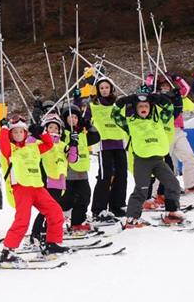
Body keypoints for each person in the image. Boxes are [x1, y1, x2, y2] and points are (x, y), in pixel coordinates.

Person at [0, 117, 66, 264]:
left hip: (37, 187)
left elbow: (49, 145)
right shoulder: (10, 149)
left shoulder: (33, 147)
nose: (17, 134)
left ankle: (51, 244)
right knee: (23, 220)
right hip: (21, 188)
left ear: (25, 133)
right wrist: (3, 129)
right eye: (14, 132)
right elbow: (3, 146)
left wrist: (42, 132)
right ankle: (7, 251)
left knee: (55, 211)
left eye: (20, 131)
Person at [113, 92, 184, 228]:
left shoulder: (158, 121)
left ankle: (172, 212)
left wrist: (159, 98)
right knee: (142, 190)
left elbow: (169, 108)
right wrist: (122, 102)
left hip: (158, 160)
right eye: (140, 106)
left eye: (146, 105)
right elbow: (115, 115)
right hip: (142, 161)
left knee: (173, 184)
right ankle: (131, 219)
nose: (143, 108)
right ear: (136, 109)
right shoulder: (130, 123)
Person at [87, 77, 128, 221]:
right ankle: (99, 209)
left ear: (111, 88)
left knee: (122, 174)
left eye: (106, 87)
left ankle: (117, 206)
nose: (104, 90)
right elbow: (84, 120)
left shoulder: (118, 104)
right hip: (104, 144)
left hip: (119, 142)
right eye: (101, 88)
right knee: (105, 175)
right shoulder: (93, 105)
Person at [30, 117, 71, 245]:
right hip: (48, 181)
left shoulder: (63, 145)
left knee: (55, 211)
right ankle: (35, 233)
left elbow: (73, 158)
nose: (54, 130)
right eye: (50, 127)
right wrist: (35, 133)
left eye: (56, 128)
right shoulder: (43, 143)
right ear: (46, 129)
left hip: (60, 182)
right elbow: (30, 146)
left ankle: (47, 232)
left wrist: (74, 145)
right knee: (46, 210)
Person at [60, 105, 97, 233]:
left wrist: (89, 125)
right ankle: (58, 220)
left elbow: (96, 137)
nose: (73, 119)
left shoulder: (82, 133)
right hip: (68, 171)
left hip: (82, 170)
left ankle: (77, 222)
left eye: (75, 117)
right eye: (70, 117)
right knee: (67, 198)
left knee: (85, 196)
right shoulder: (62, 133)